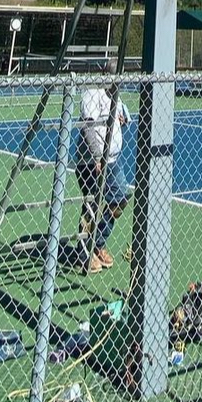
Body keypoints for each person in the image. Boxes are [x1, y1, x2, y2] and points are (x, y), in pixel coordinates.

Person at [77, 64, 131, 274]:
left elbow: (121, 120)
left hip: (113, 162)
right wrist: (97, 156)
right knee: (90, 207)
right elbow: (88, 127)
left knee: (120, 199)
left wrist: (123, 120)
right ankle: (84, 254)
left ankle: (97, 242)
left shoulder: (114, 96)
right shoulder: (92, 92)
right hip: (91, 162)